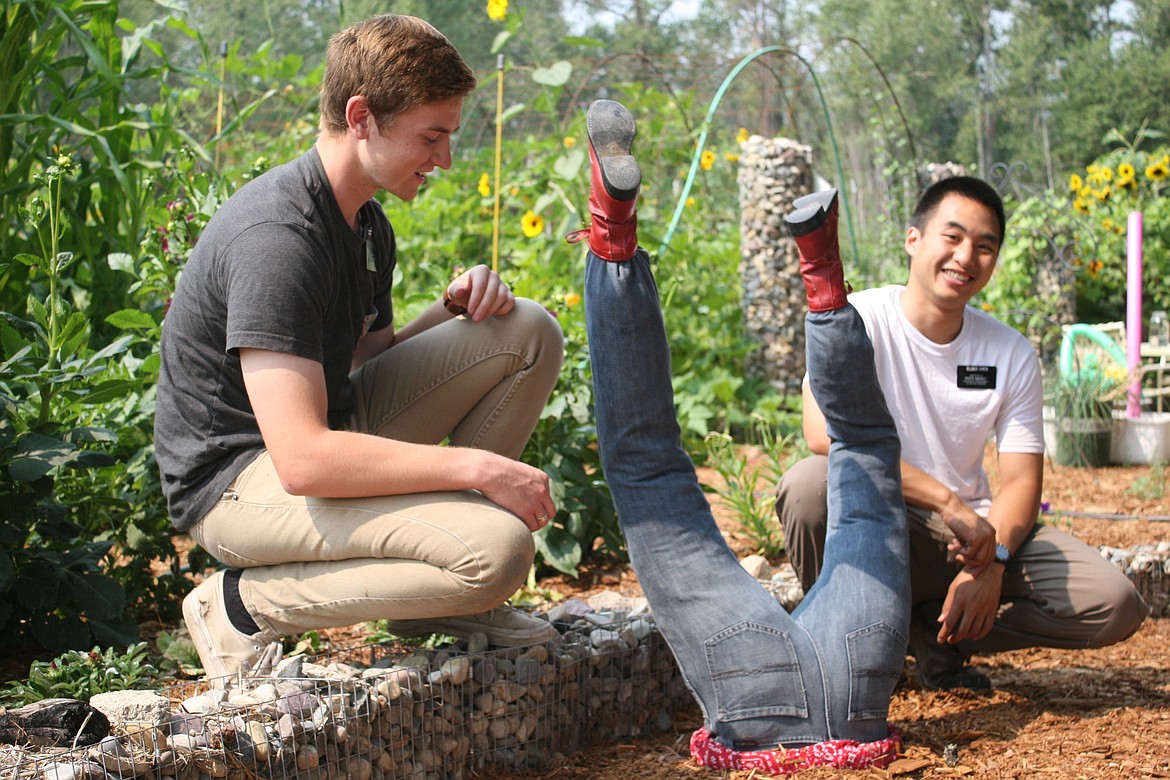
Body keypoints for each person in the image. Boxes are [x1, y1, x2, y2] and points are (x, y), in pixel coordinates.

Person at [155, 14, 564, 683]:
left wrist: (453, 310)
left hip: (314, 440)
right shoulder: (279, 240)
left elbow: (365, 362)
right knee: (496, 552)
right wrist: (477, 471)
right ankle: (240, 606)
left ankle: (440, 607)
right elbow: (306, 461)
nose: (446, 159)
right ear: (362, 116)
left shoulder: (366, 223)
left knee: (526, 331)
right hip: (234, 483)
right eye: (432, 136)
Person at [576, 99, 948, 773]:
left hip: (861, 664)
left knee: (865, 447)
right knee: (647, 466)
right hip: (774, 683)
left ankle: (824, 283)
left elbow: (861, 440)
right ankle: (614, 231)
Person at [775, 176, 1148, 690]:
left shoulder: (1009, 352)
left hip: (967, 543)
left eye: (985, 246)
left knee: (1113, 602)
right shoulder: (856, 320)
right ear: (913, 240)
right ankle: (848, 649)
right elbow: (824, 435)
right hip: (883, 521)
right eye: (952, 237)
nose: (966, 257)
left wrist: (992, 563)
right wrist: (948, 502)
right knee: (809, 485)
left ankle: (936, 635)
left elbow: (1020, 483)